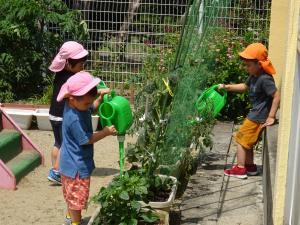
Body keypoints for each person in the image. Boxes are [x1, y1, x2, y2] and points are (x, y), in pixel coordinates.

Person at [57, 71, 117, 225]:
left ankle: (70, 217)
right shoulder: (74, 119)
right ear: (72, 98)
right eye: (86, 103)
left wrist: (100, 98)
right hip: (75, 166)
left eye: (90, 102)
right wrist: (105, 132)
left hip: (72, 163)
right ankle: (75, 223)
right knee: (77, 198)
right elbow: (87, 140)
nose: (89, 106)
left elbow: (92, 108)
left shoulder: (78, 106)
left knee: (72, 195)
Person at [219, 43, 280, 179]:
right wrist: (227, 87)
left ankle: (240, 169)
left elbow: (277, 95)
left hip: (258, 116)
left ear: (259, 64)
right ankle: (250, 166)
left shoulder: (265, 79)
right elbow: (244, 86)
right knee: (248, 142)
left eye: (248, 65)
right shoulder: (254, 76)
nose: (246, 68)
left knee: (240, 139)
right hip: (255, 114)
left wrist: (271, 116)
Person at [48, 41, 88, 184]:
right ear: (68, 63)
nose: (82, 67)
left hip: (53, 114)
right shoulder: (70, 78)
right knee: (65, 144)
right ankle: (57, 172)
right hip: (62, 116)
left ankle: (54, 168)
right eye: (80, 65)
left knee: (58, 143)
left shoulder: (60, 74)